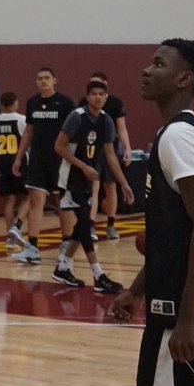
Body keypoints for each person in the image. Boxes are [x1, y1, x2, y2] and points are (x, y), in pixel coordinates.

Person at [111, 40, 194, 386]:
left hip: (186, 314)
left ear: (184, 80)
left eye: (159, 64)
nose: (147, 70)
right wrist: (137, 291)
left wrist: (187, 317)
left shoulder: (178, 136)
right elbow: (175, 238)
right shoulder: (176, 135)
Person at [51, 80, 133, 292]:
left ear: (106, 97)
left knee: (81, 226)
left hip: (88, 177)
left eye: (101, 94)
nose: (98, 97)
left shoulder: (106, 121)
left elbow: (109, 155)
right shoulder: (76, 117)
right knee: (86, 223)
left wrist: (123, 183)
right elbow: (58, 147)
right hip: (69, 177)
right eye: (94, 94)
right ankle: (98, 275)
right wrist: (82, 166)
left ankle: (63, 267)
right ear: (88, 97)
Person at [11, 67, 75, 264]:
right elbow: (28, 132)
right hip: (38, 159)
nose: (43, 81)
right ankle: (32, 248)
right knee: (36, 200)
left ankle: (65, 244)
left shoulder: (65, 103)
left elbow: (73, 131)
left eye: (47, 78)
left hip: (59, 158)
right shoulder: (32, 102)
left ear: (54, 80)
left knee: (62, 202)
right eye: (39, 78)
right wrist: (19, 157)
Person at [80, 71, 133, 240]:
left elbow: (122, 128)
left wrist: (128, 148)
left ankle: (111, 225)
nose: (96, 95)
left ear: (105, 86)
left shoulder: (115, 103)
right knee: (94, 189)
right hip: (91, 151)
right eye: (92, 89)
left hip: (110, 150)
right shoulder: (82, 106)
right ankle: (91, 226)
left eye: (99, 88)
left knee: (111, 188)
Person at [0, 92, 28, 250]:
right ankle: (17, 227)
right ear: (15, 103)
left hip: (2, 163)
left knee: (11, 199)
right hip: (19, 162)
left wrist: (0, 158)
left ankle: (9, 238)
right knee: (28, 196)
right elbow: (29, 139)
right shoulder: (21, 119)